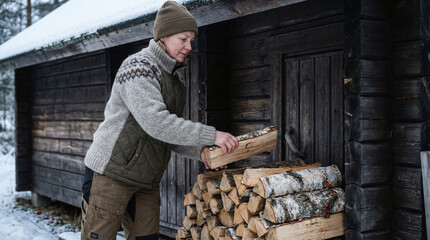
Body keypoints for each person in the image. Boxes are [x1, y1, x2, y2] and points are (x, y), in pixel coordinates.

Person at [80, 1, 239, 240]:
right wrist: (212, 135)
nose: (189, 46)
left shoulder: (176, 83)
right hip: (110, 175)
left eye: (192, 40)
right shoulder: (137, 67)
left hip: (146, 181)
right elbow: (156, 122)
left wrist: (201, 151)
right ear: (163, 36)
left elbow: (165, 135)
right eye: (183, 39)